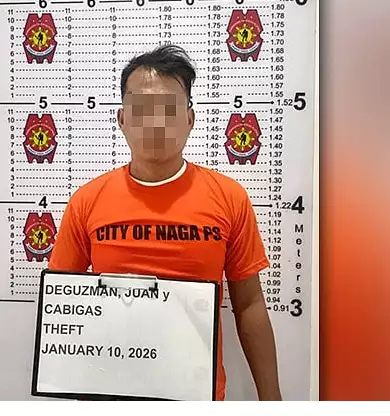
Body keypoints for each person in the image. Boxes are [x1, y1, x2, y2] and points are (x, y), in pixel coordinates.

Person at [47, 44, 282, 401]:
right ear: (122, 119)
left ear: (189, 119)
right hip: (110, 393)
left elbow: (249, 305)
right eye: (142, 109)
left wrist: (272, 399)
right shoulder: (87, 202)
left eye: (169, 110)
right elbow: (62, 306)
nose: (155, 123)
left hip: (196, 394)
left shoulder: (229, 198)